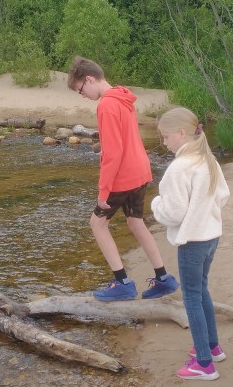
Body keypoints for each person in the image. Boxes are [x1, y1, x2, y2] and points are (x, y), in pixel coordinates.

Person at [68, 56, 179, 302]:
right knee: (136, 222)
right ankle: (163, 278)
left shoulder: (106, 105)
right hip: (141, 170)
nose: (82, 95)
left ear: (89, 79)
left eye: (81, 89)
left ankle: (122, 282)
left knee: (97, 224)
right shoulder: (123, 96)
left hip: (123, 175)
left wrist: (103, 191)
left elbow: (113, 153)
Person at [151, 107, 231, 381]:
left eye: (165, 137)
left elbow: (173, 212)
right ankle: (212, 346)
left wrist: (155, 204)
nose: (164, 142)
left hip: (193, 240)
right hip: (211, 235)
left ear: (181, 133)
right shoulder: (207, 159)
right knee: (201, 290)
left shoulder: (179, 168)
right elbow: (223, 195)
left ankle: (204, 364)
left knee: (192, 298)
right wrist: (205, 212)